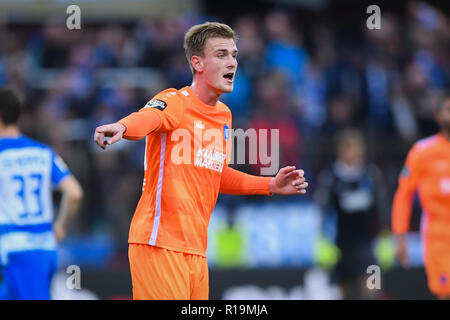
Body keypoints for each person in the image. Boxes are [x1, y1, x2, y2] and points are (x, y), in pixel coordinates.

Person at [94, 22, 309, 300]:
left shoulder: (224, 116)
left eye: (234, 55)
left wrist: (270, 184)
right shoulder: (175, 100)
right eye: (221, 55)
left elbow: (216, 174)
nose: (231, 62)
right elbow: (149, 117)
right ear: (197, 63)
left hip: (196, 251)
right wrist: (122, 127)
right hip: (160, 244)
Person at [0, 88, 83, 300]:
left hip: (14, 248)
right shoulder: (42, 152)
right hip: (43, 247)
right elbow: (74, 192)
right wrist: (61, 227)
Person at [314, 128, 388, 299]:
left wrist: (385, 237)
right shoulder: (331, 178)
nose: (356, 151)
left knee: (373, 289)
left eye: (359, 147)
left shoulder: (371, 175)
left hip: (368, 245)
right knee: (344, 292)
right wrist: (323, 241)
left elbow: (382, 207)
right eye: (351, 147)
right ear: (340, 150)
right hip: (341, 246)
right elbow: (322, 211)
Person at [392, 93, 450, 300]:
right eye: (448, 109)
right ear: (438, 115)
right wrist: (400, 235)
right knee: (445, 293)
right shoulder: (422, 152)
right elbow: (404, 194)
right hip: (439, 235)